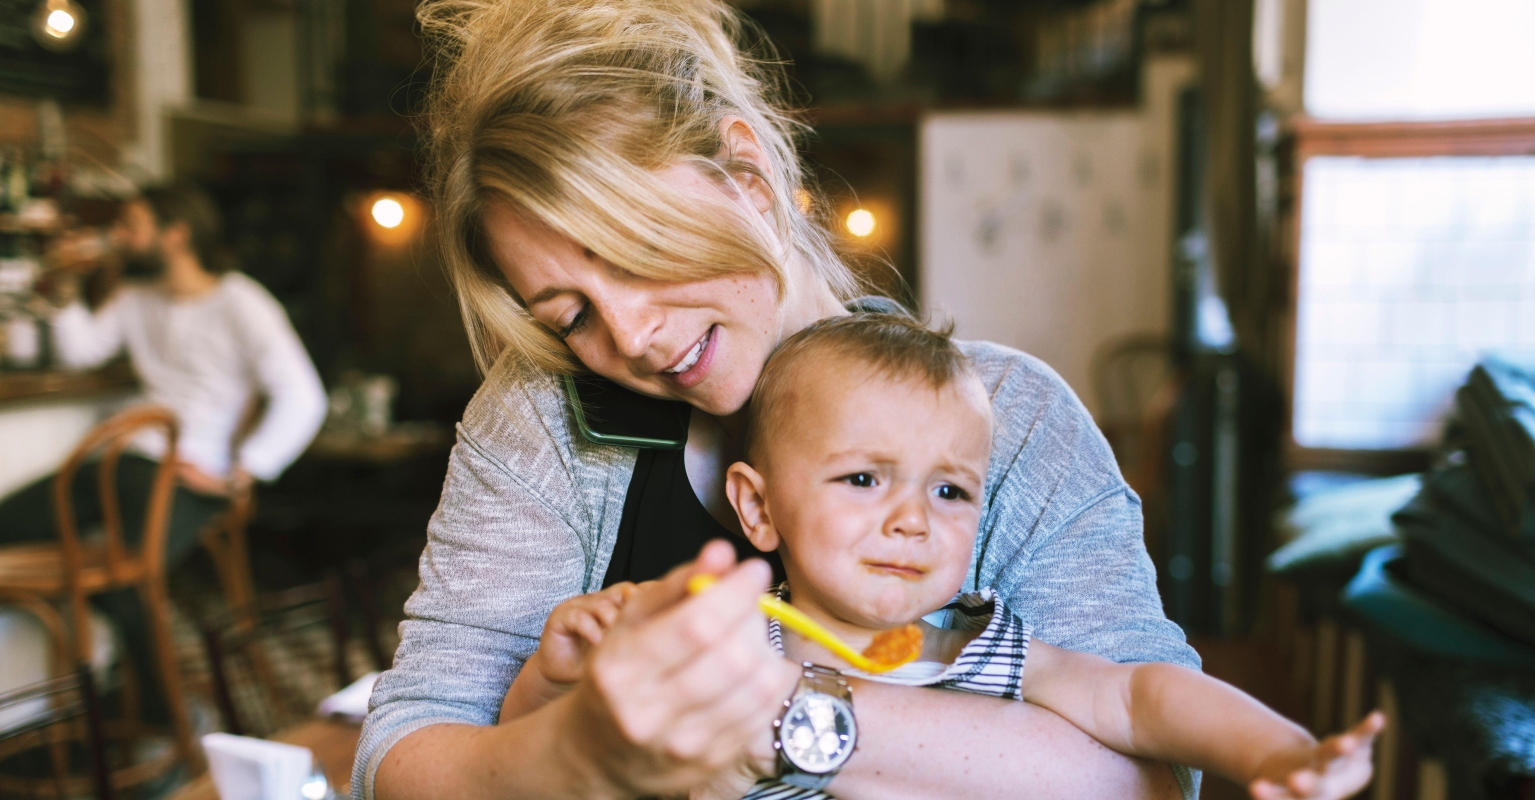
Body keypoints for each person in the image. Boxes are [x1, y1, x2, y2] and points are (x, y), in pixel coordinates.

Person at [359, 1, 1199, 798]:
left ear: (749, 175)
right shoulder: (541, 415)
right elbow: (403, 751)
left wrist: (780, 720)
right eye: (572, 313)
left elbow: (1156, 778)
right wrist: (569, 749)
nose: (631, 335)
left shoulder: (1013, 419)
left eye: (636, 254)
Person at [500, 314, 1385, 800]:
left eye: (949, 491)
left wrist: (1280, 755)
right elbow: (532, 756)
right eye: (861, 479)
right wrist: (553, 672)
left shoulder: (974, 647)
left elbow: (1138, 693)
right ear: (757, 507)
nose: (911, 520)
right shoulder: (717, 638)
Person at [0, 182, 327, 722]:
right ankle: (108, 697)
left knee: (127, 579)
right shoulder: (136, 299)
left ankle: (162, 725)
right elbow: (82, 352)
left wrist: (242, 474)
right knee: (11, 526)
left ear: (175, 236)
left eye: (130, 226)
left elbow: (304, 396)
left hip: (194, 476)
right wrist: (63, 285)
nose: (117, 238)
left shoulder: (240, 301)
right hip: (121, 462)